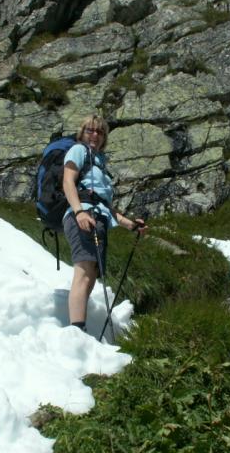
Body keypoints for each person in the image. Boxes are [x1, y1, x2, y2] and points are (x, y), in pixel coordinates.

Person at [62, 115, 147, 332]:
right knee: (84, 271)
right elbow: (68, 181)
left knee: (91, 274)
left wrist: (131, 225)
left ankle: (79, 327)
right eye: (90, 130)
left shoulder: (99, 162)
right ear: (82, 132)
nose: (95, 135)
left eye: (100, 132)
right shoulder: (78, 150)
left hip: (97, 217)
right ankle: (76, 331)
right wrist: (79, 212)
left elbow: (105, 205)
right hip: (83, 215)